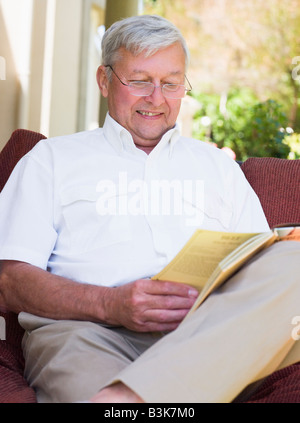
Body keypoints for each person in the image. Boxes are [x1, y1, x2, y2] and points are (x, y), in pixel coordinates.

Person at [0, 15, 299, 404]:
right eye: (140, 81)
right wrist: (111, 304)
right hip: (86, 333)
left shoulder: (218, 168)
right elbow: (10, 281)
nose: (156, 98)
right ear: (105, 80)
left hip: (208, 337)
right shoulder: (50, 160)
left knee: (292, 258)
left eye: (171, 84)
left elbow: (260, 268)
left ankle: (129, 400)